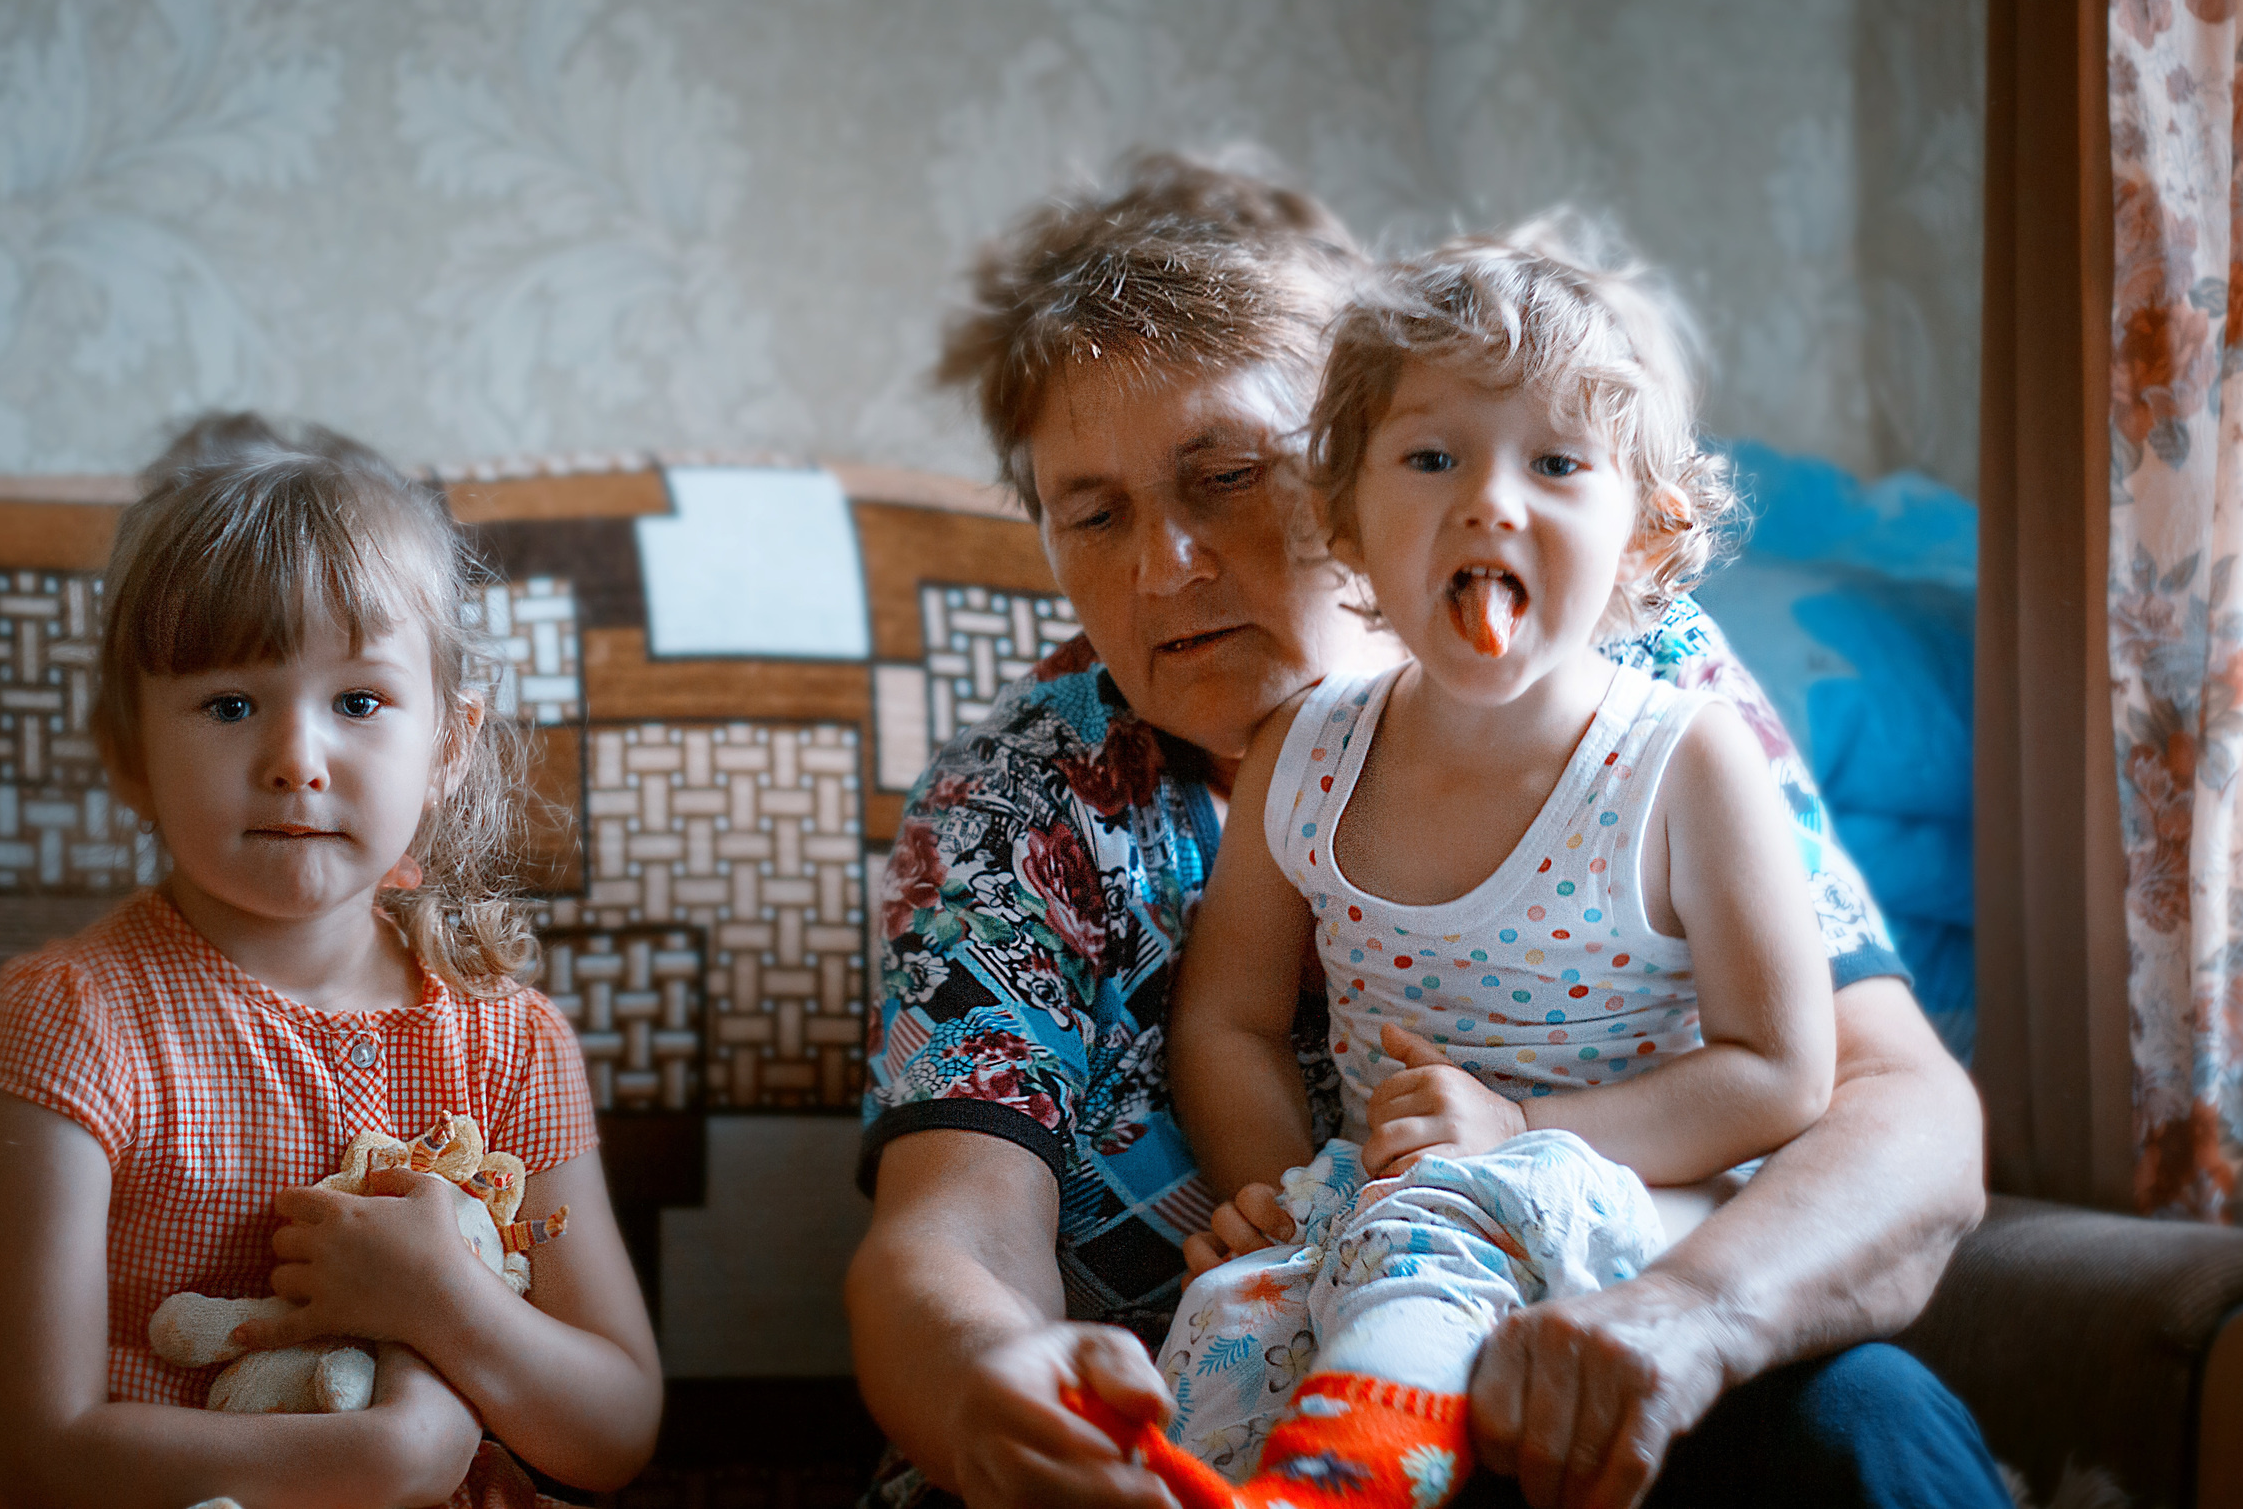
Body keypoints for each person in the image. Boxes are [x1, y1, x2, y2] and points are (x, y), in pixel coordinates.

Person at [846, 154, 2003, 1509]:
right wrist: (1002, 1379)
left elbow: (1899, 1108)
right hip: (1221, 1407)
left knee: (1865, 1421)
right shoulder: (1022, 808)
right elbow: (952, 1224)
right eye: (1091, 513)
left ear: (1346, 470)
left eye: (1225, 474)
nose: (1163, 564)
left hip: (1598, 1316)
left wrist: (1684, 1319)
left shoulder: (1636, 680)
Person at [1101, 220, 1843, 1509]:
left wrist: (1520, 1130)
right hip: (1378, 1201)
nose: (1490, 500)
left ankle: (1352, 1474)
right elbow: (1228, 1018)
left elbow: (1782, 1070)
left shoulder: (1683, 762)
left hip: (1628, 1206)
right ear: (1344, 515)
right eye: (1432, 456)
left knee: (1429, 1227)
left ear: (1647, 540)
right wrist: (1277, 1197)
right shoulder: (1309, 756)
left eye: (1556, 464)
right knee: (1236, 1304)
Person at [0, 417, 663, 1509]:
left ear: (448, 745)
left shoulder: (510, 1042)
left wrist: (445, 1305)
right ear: (129, 755)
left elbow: (614, 1431)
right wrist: (388, 1459)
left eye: (359, 702)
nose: (295, 760)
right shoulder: (75, 1018)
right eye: (231, 704)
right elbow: (39, 1449)